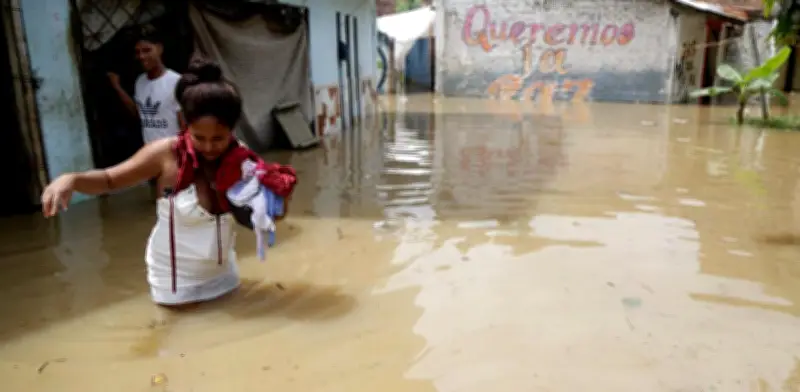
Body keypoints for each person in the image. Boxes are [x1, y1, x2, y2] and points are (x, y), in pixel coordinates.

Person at [41, 57, 297, 307]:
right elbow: (110, 180)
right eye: (199, 137)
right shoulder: (164, 154)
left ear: (232, 129)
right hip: (174, 282)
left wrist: (279, 199)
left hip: (224, 274)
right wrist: (71, 179)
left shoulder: (241, 159)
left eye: (218, 138)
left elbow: (266, 218)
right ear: (184, 123)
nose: (209, 147)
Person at [108, 25, 184, 145]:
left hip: (173, 154)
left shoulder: (176, 82)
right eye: (138, 52)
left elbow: (185, 127)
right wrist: (117, 87)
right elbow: (140, 114)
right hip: (150, 154)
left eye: (147, 50)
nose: (141, 56)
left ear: (159, 49)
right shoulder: (140, 81)